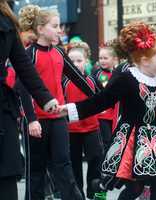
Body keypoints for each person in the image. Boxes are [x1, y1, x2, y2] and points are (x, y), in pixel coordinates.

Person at [59, 21, 156, 200]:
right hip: (131, 139)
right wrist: (71, 110)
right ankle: (102, 185)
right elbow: (101, 101)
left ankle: (105, 184)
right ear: (144, 60)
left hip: (154, 140)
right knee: (134, 188)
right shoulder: (127, 78)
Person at [17, 5, 95, 200]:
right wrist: (32, 119)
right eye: (55, 26)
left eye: (59, 25)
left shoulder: (59, 53)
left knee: (63, 165)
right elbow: (23, 88)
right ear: (41, 29)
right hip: (36, 122)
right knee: (36, 171)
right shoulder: (29, 54)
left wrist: (103, 97)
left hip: (58, 117)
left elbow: (79, 79)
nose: (60, 30)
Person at [0, 1, 60, 200]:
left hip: (3, 106)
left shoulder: (7, 21)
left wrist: (44, 97)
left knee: (7, 172)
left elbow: (23, 66)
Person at [64, 42, 104, 199]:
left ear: (86, 61)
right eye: (71, 61)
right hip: (71, 130)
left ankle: (96, 194)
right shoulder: (64, 82)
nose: (75, 64)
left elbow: (105, 96)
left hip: (92, 128)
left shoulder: (93, 81)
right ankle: (77, 194)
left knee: (96, 161)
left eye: (79, 61)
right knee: (74, 165)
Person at [92, 43, 118, 150]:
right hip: (103, 115)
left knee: (116, 140)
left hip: (115, 114)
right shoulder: (97, 74)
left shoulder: (118, 73)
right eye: (100, 58)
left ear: (114, 59)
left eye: (105, 58)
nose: (102, 61)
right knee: (106, 141)